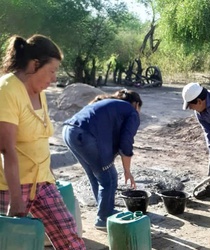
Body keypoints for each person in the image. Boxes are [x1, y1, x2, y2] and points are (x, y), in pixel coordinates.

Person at [0, 34, 86, 249]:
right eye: (52, 70)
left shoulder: (40, 93)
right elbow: (6, 149)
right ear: (35, 64)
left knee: (69, 237)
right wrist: (16, 199)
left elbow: (39, 141)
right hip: (10, 186)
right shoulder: (6, 90)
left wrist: (51, 178)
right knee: (8, 243)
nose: (55, 78)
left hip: (43, 182)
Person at [62, 89, 142, 229]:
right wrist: (127, 171)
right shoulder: (131, 111)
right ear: (136, 104)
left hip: (68, 132)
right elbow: (126, 142)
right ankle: (104, 218)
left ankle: (105, 211)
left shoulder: (111, 106)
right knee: (109, 178)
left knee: (96, 175)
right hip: (84, 134)